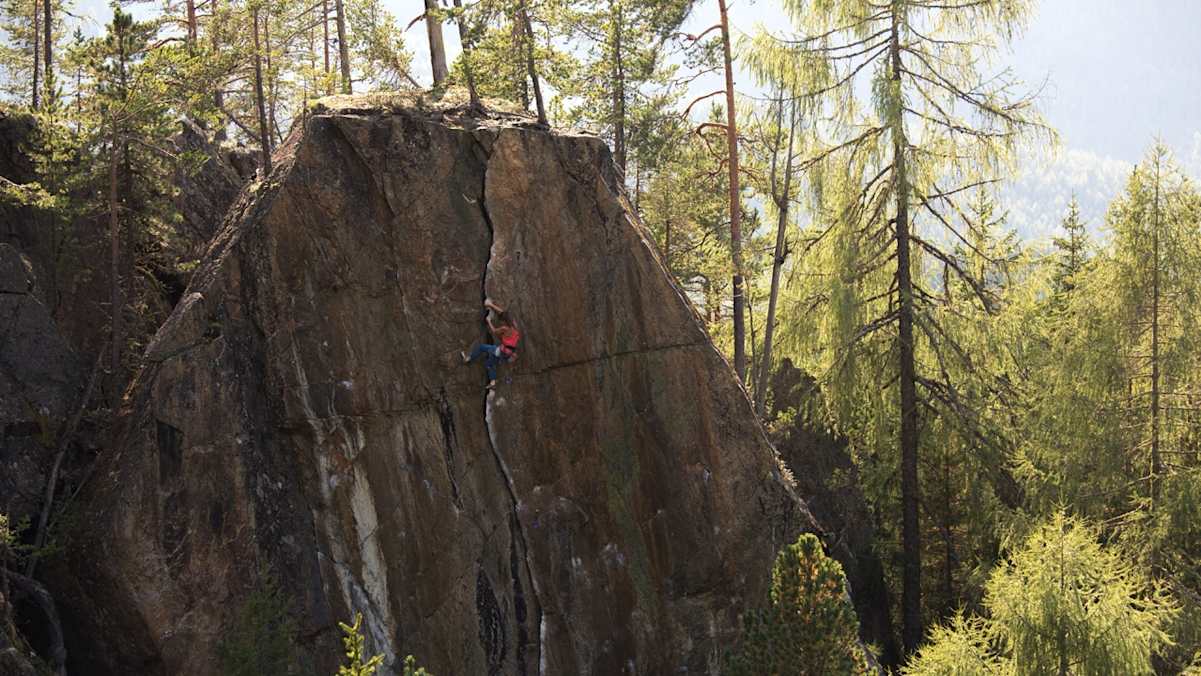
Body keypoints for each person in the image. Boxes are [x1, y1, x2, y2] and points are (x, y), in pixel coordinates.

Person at [462, 298, 521, 389]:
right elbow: (503, 314)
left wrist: (489, 321)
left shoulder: (505, 329)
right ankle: (492, 382)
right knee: (489, 364)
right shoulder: (515, 328)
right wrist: (490, 305)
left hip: (501, 351)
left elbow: (494, 331)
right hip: (508, 354)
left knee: (481, 347)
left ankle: (468, 358)